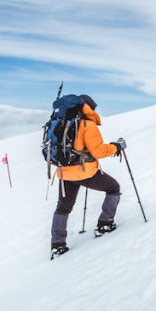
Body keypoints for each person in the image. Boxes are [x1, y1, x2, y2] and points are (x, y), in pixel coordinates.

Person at [50, 95, 124, 257]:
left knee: (63, 208)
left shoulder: (63, 122)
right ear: (88, 108)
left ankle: (57, 245)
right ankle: (105, 224)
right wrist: (116, 147)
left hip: (64, 171)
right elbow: (97, 151)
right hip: (85, 172)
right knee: (113, 188)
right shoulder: (87, 125)